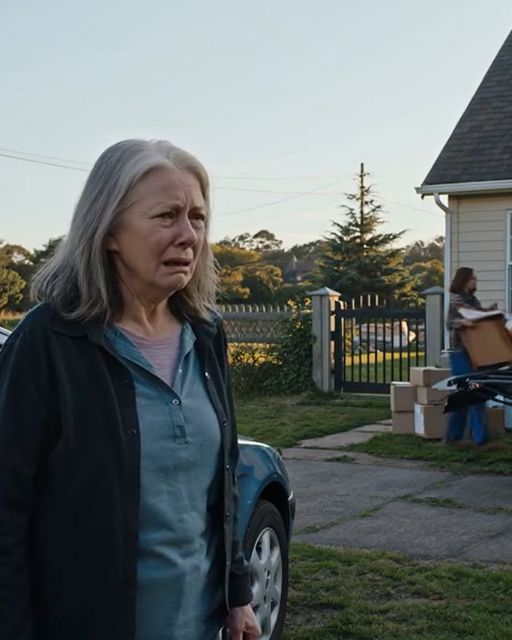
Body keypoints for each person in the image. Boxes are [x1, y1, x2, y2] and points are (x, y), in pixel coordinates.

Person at [0, 139, 261, 640]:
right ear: (108, 231)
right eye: (166, 216)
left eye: (198, 217)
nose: (189, 235)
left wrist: (237, 596)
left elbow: (219, 487)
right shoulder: (48, 342)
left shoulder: (206, 333)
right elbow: (6, 510)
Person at [446, 266, 496, 446]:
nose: (476, 280)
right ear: (465, 280)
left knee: (467, 394)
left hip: (474, 352)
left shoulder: (473, 300)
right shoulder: (457, 299)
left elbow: (477, 316)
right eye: (473, 278)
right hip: (460, 352)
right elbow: (449, 323)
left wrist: (488, 312)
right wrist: (463, 322)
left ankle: (456, 437)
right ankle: (478, 439)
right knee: (472, 393)